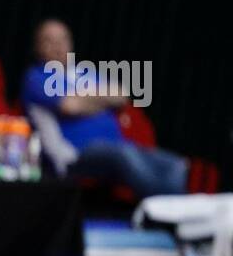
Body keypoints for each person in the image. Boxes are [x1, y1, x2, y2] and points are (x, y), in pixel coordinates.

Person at [21, 18, 186, 198]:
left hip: (117, 146)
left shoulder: (85, 72)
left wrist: (84, 99)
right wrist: (100, 98)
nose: (58, 46)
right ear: (37, 47)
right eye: (49, 41)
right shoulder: (36, 77)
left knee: (175, 163)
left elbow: (121, 96)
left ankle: (171, 210)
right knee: (125, 156)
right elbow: (70, 106)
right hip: (77, 153)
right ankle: (161, 210)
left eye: (63, 39)